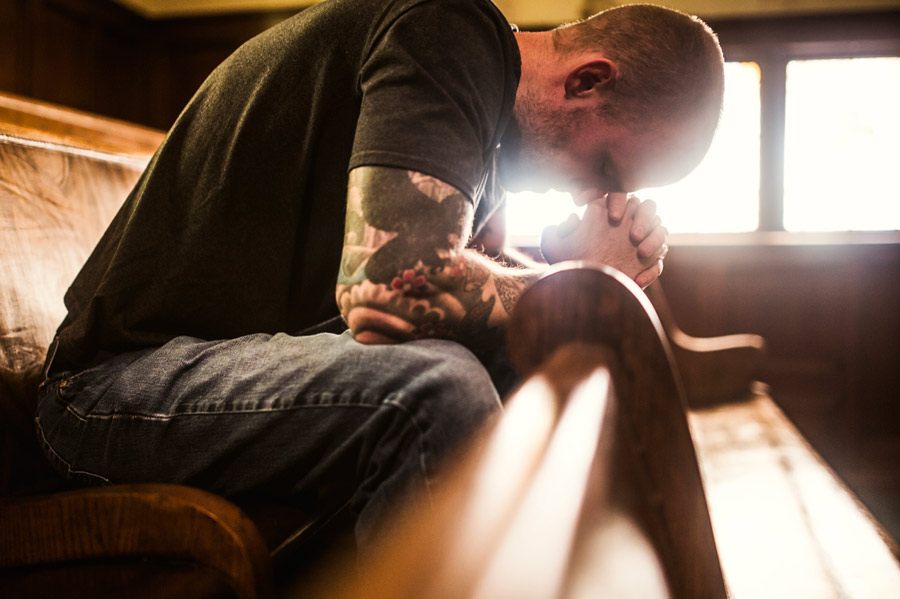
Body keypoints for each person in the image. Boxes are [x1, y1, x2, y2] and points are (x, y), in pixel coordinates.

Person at [34, 0, 724, 551]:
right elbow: (390, 286)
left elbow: (448, 287)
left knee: (538, 373)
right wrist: (579, 287)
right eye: (605, 171)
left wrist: (563, 273)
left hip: (221, 369)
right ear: (587, 80)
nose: (587, 197)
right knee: (436, 391)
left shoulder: (484, 129)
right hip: (105, 391)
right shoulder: (448, 33)